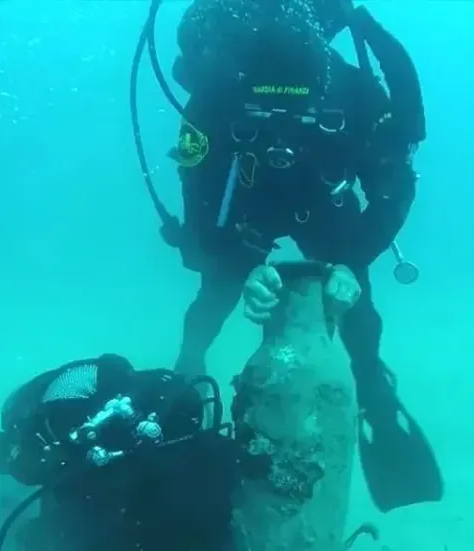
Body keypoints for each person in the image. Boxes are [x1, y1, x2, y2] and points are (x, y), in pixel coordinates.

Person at [163, 0, 442, 513]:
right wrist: (240, 263)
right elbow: (199, 201)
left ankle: (371, 382)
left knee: (354, 298)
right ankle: (188, 366)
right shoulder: (216, 95)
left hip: (324, 201)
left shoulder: (354, 92)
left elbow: (393, 187)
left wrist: (352, 261)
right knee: (217, 291)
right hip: (248, 209)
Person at [0, 353, 236, 551]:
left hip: (164, 461)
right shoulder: (53, 419)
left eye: (7, 462)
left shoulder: (46, 433)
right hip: (175, 427)